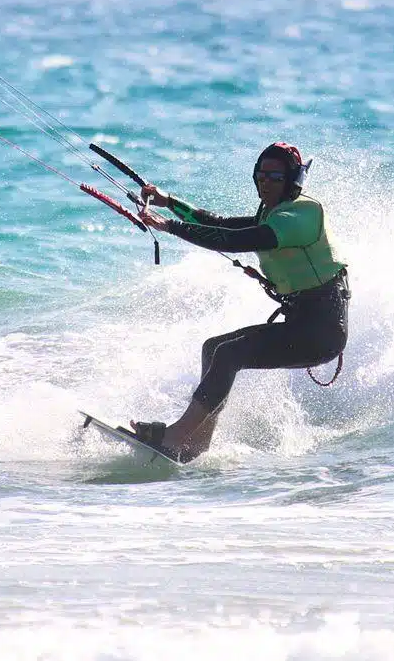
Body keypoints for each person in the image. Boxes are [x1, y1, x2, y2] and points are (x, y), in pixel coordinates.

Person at [130, 142, 349, 462]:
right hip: (301, 323)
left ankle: (176, 435)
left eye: (275, 177)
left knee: (231, 354)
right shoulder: (270, 212)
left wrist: (169, 227)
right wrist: (169, 203)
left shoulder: (300, 215)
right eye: (261, 175)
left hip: (322, 331)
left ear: (293, 181)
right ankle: (196, 443)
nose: (266, 182)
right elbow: (220, 224)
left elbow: (238, 240)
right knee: (213, 348)